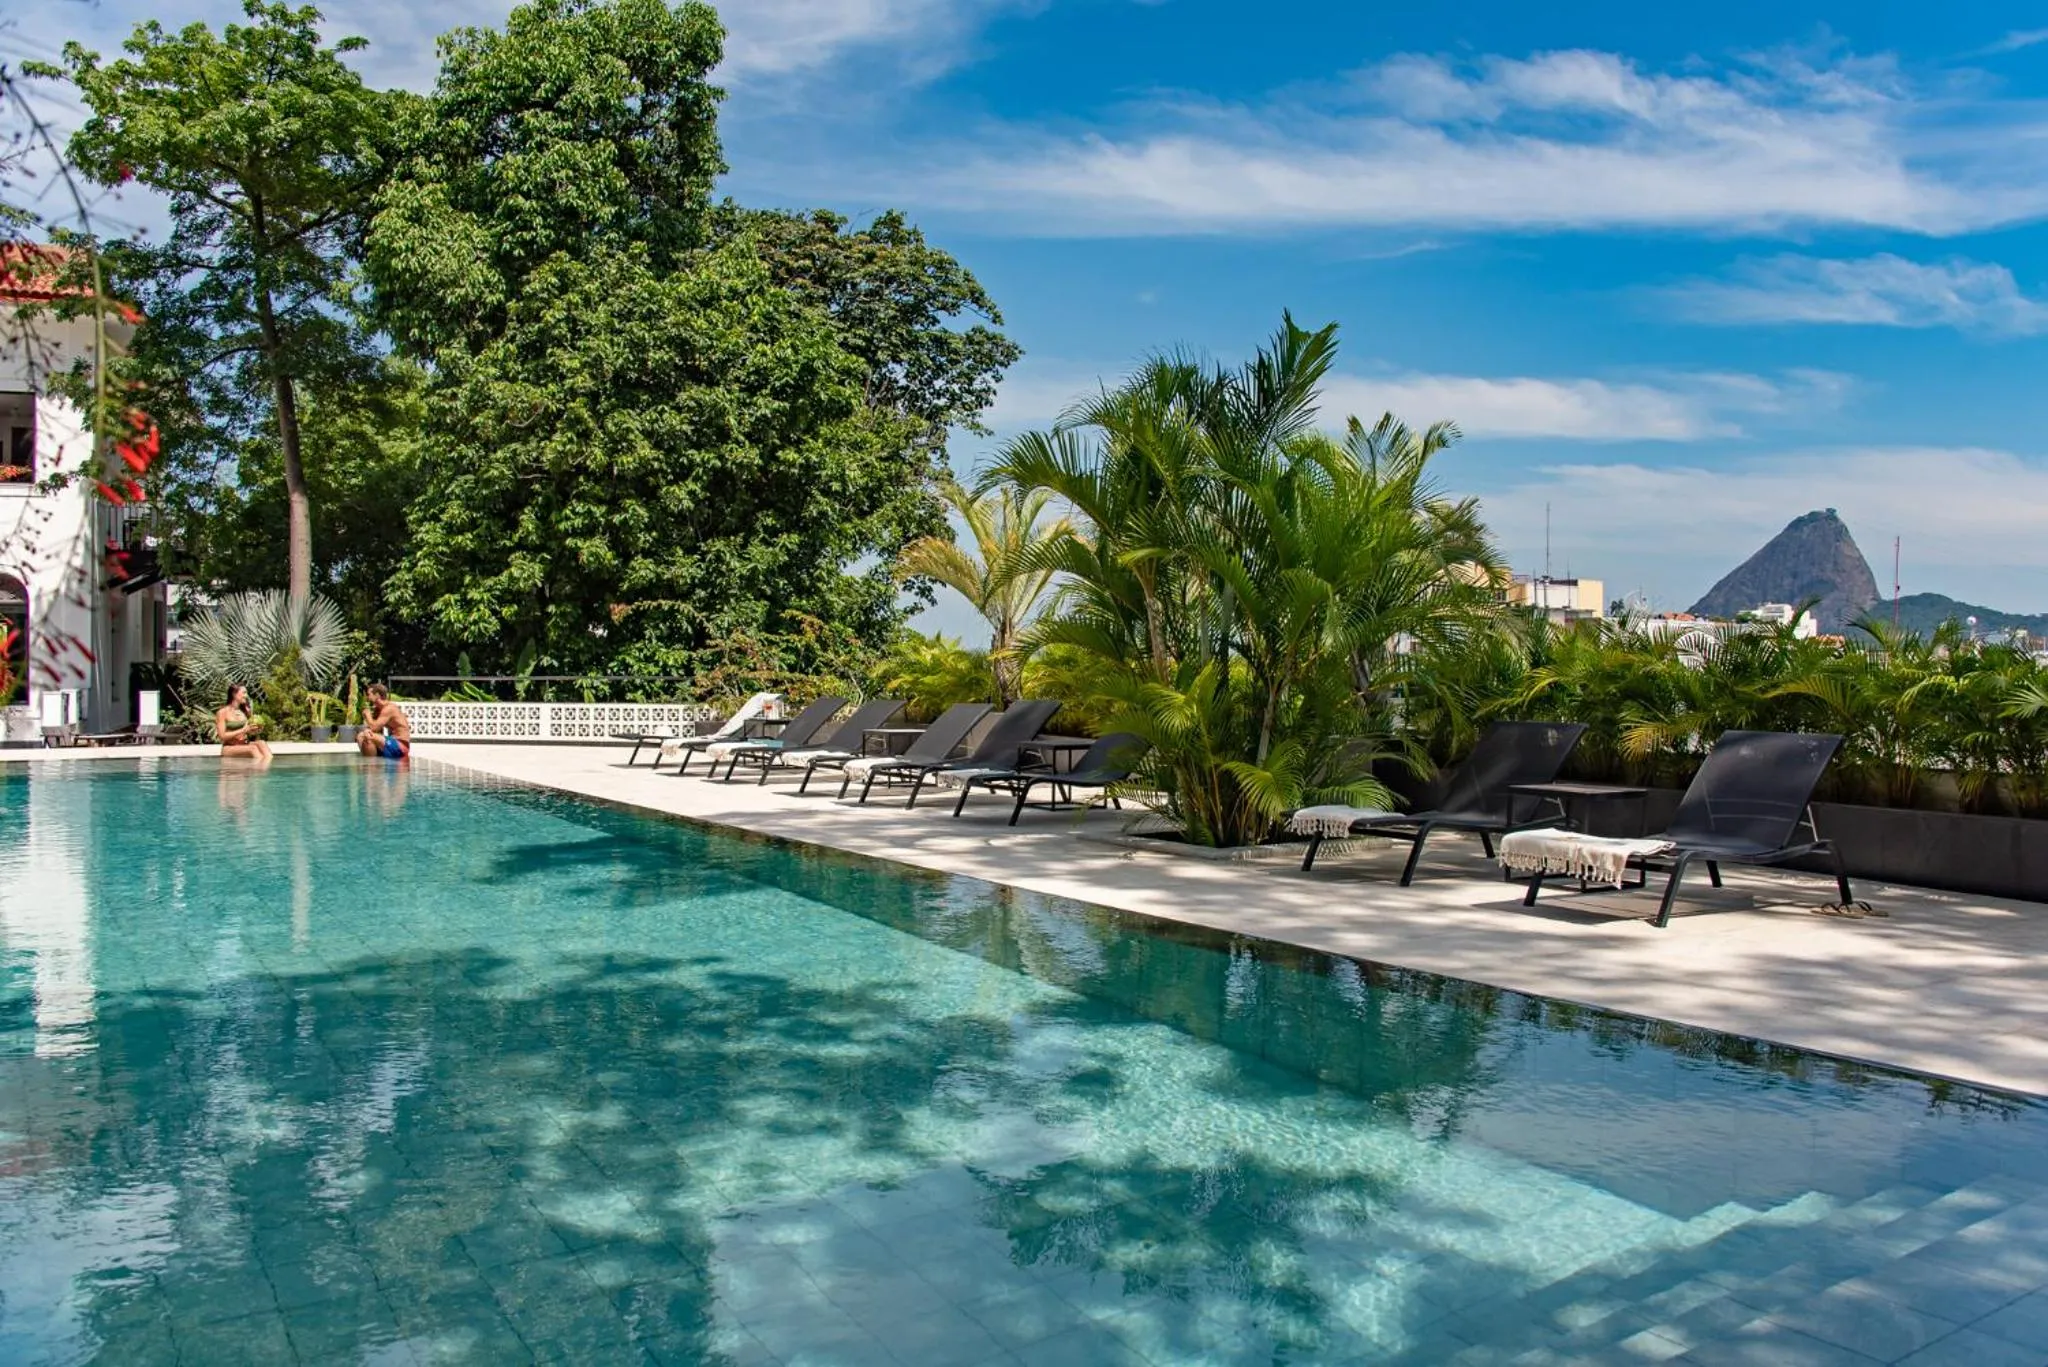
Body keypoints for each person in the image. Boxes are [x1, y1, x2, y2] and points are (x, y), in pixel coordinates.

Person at [216, 683, 273, 761]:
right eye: (244, 693)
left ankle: (266, 770)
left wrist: (256, 730)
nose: (246, 696)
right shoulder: (222, 712)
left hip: (245, 744)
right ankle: (260, 771)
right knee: (252, 749)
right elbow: (222, 736)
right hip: (229, 747)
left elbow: (250, 732)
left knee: (262, 743)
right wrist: (243, 730)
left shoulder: (245, 710)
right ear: (234, 694)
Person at [356, 683, 412, 760]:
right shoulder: (379, 709)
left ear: (377, 695)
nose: (367, 697)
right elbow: (375, 728)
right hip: (391, 742)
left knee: (368, 736)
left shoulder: (389, 708)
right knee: (360, 736)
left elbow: (374, 728)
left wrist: (368, 715)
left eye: (369, 694)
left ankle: (371, 765)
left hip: (400, 745)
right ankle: (369, 765)